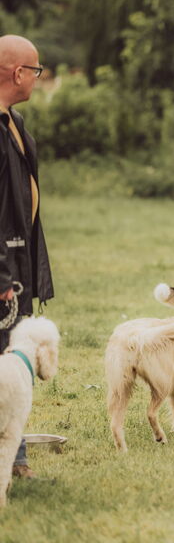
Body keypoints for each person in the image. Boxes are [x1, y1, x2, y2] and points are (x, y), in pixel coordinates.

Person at [0, 34, 55, 477]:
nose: (38, 78)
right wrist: (2, 279)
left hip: (19, 262)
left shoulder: (13, 122)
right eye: (35, 70)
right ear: (19, 74)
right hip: (3, 270)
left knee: (13, 362)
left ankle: (15, 457)